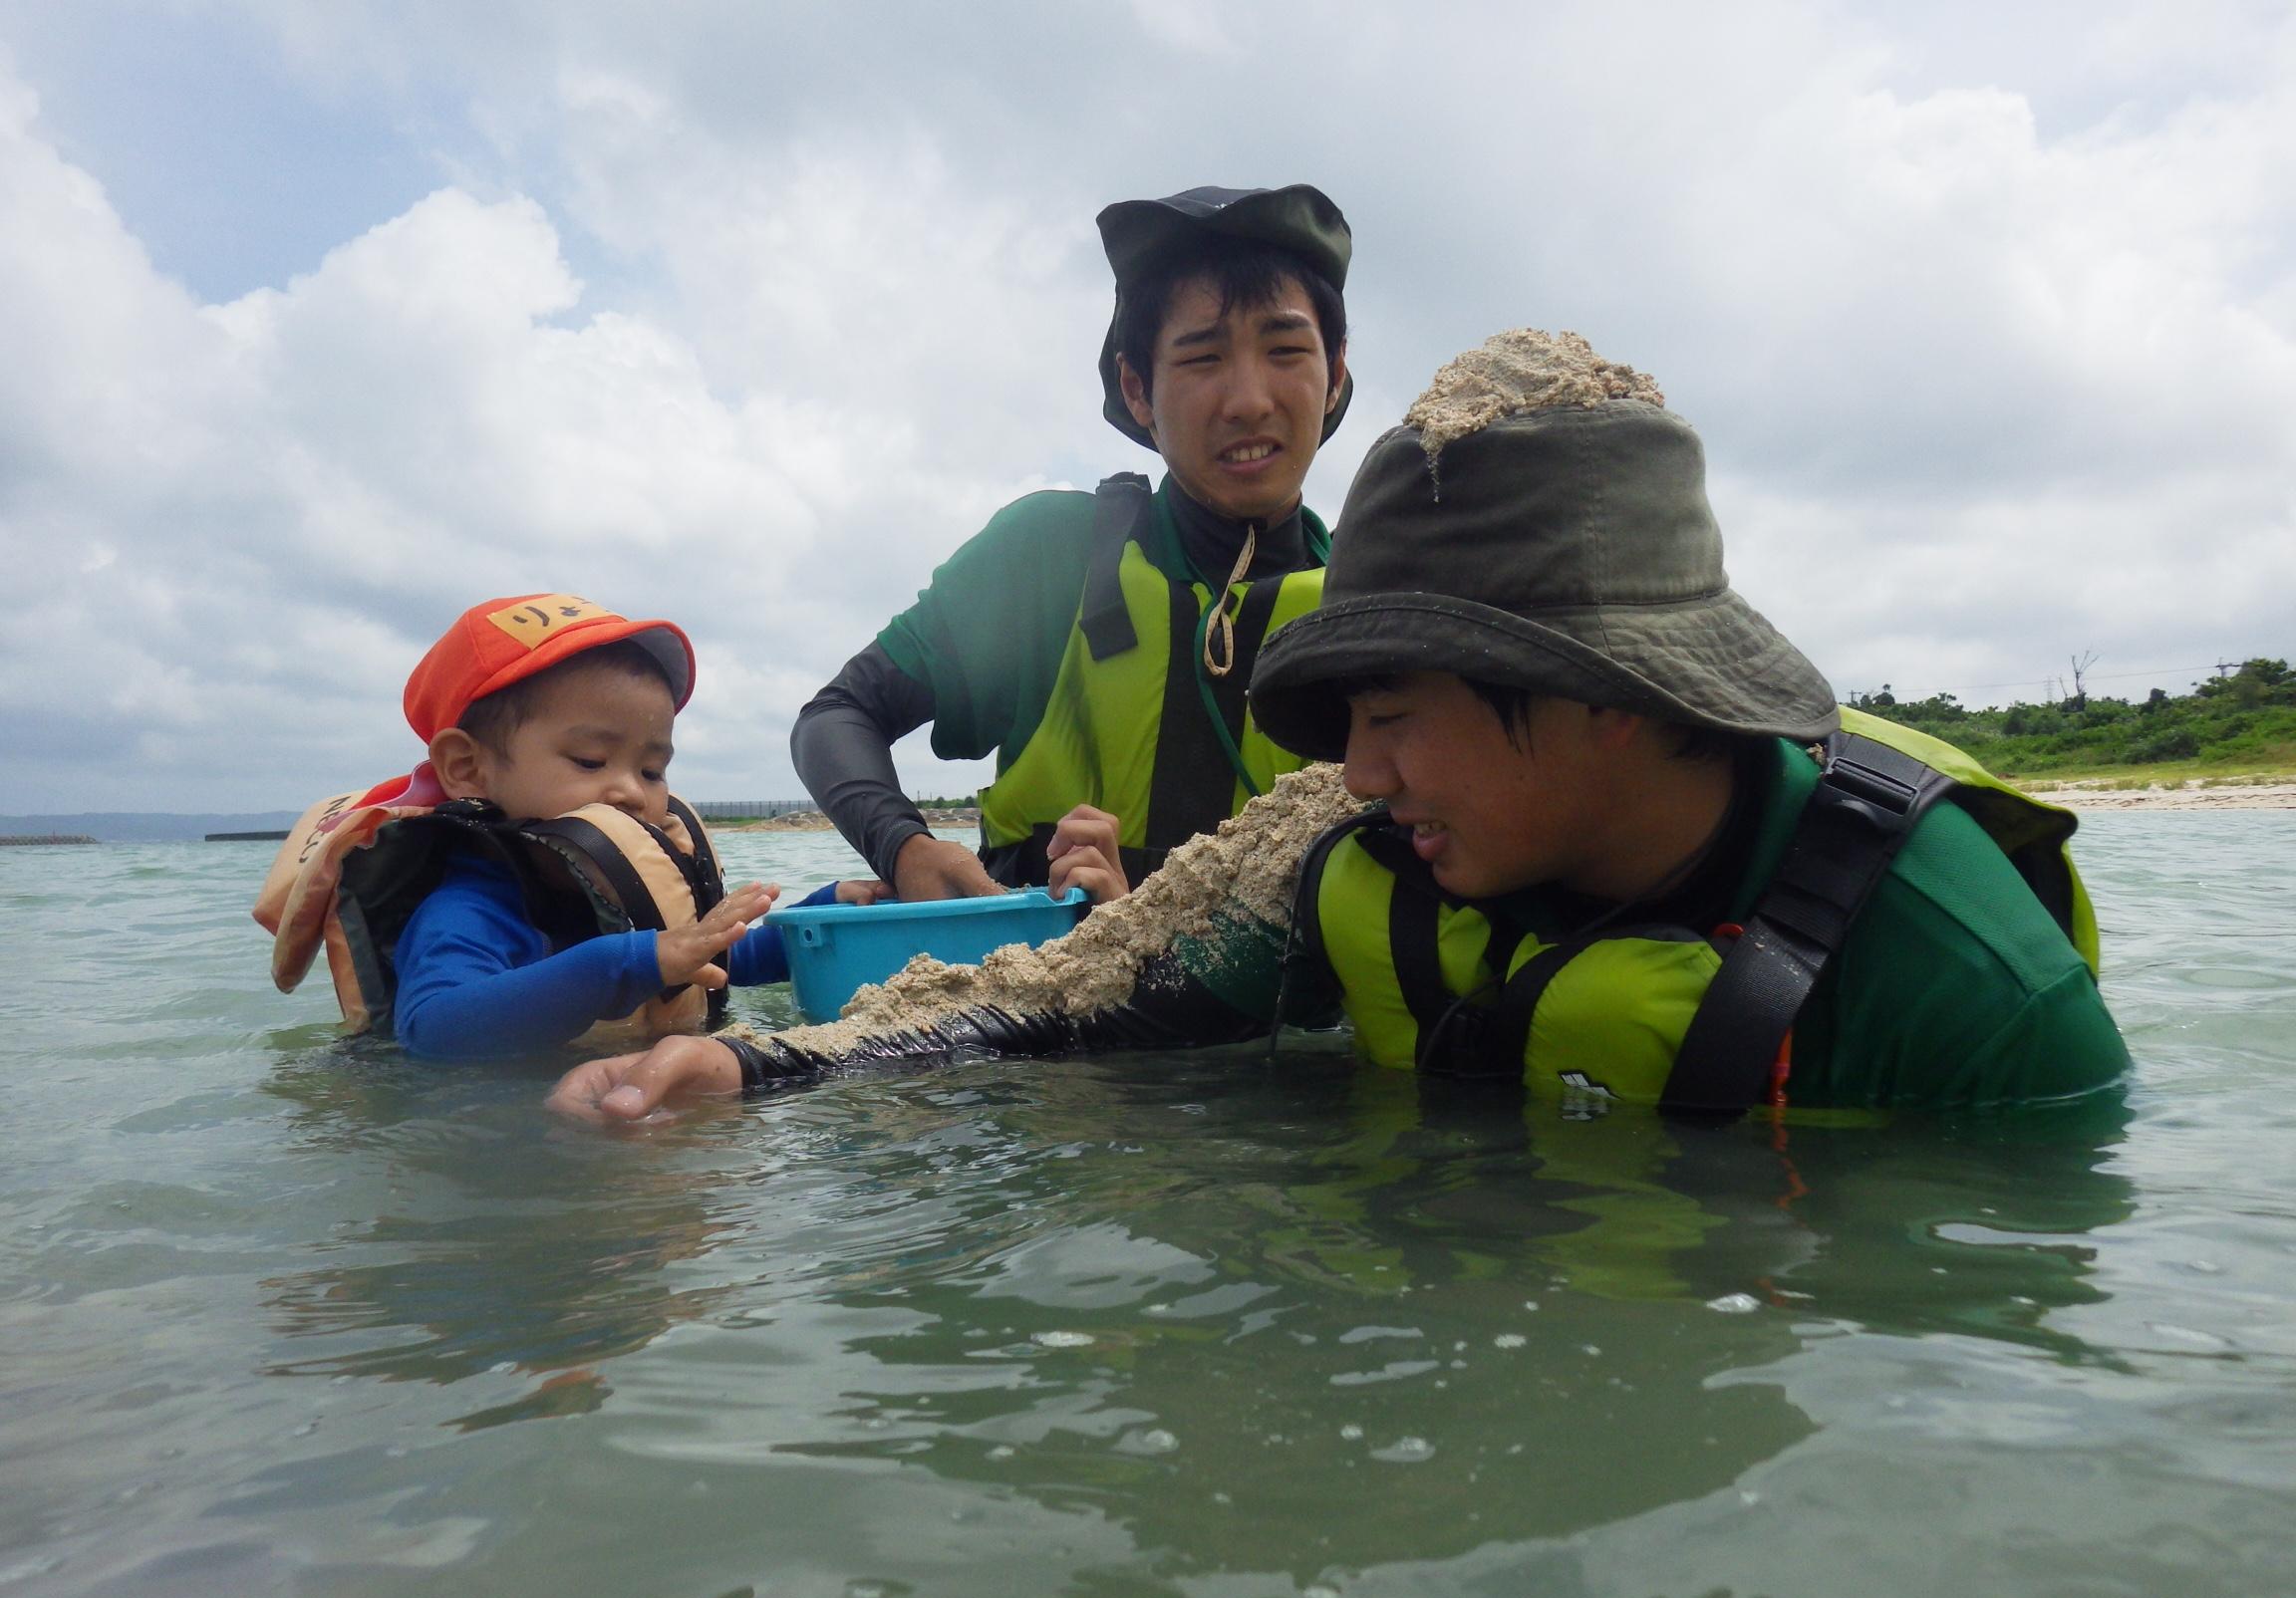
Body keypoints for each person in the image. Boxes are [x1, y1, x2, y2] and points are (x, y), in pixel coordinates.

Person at [549, 333, 2130, 1122]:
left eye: (1391, 714)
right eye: (1343, 719)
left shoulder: (1968, 986)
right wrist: (759, 1077)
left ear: (1620, 699)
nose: (1348, 773)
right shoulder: (1343, 855)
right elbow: (1067, 1003)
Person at [791, 183, 1353, 905]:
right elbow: (838, 714)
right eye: (1202, 359)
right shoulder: (1049, 559)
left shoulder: (1370, 603)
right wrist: (905, 846)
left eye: (1284, 350)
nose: (1248, 399)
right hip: (1039, 995)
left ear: (1334, 373)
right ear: (1137, 387)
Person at [253, 593, 880, 1061]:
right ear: (468, 767)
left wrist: (825, 918)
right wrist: (629, 962)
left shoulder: (623, 889)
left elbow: (721, 965)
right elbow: (436, 1028)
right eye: (589, 761)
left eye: (653, 768)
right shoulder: (470, 909)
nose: (633, 792)